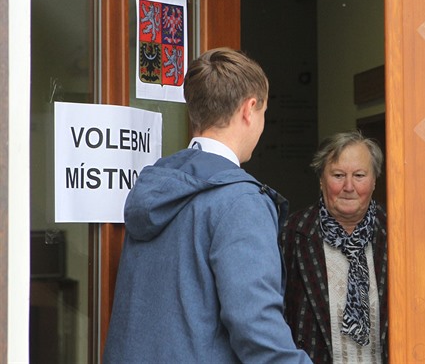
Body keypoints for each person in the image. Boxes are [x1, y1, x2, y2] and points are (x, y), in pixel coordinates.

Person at [103, 48, 312, 364]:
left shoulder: (156, 185)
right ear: (249, 109)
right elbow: (258, 330)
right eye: (264, 111)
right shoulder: (240, 202)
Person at [279, 130, 388, 363]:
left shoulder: (396, 234)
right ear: (321, 180)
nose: (349, 186)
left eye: (359, 175)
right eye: (338, 175)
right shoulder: (292, 234)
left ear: (374, 180)